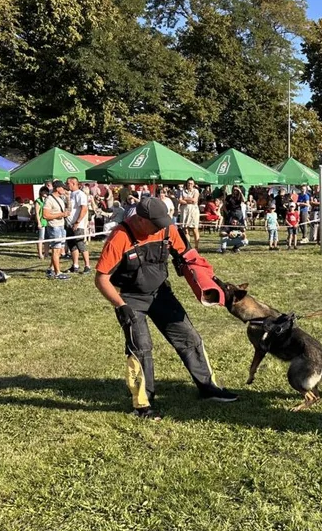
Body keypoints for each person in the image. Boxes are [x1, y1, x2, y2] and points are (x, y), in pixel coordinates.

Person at [95, 197, 238, 418]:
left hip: (161, 293)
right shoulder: (120, 237)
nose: (162, 227)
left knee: (189, 337)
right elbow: (101, 278)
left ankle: (208, 388)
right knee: (141, 348)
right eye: (157, 223)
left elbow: (188, 257)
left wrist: (207, 279)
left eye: (165, 222)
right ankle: (143, 405)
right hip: (130, 299)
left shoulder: (168, 229)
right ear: (141, 220)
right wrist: (121, 306)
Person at [43, 180, 71, 280]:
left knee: (59, 250)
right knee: (56, 249)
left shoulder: (60, 198)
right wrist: (61, 215)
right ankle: (57, 273)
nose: (64, 190)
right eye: (63, 188)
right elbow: (45, 215)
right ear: (58, 188)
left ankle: (50, 269)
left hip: (61, 225)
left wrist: (68, 198)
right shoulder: (49, 199)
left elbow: (67, 210)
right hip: (54, 226)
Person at [65, 177, 91, 274]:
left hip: (78, 225)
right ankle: (75, 265)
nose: (67, 185)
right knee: (72, 245)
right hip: (69, 224)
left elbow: (84, 208)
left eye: (68, 183)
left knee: (81, 245)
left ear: (73, 183)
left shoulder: (80, 194)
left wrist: (77, 222)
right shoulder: (71, 194)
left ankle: (87, 266)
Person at [178, 177, 201, 250]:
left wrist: (185, 199)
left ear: (193, 184)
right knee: (185, 229)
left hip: (193, 211)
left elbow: (194, 200)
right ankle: (188, 246)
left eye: (191, 183)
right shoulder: (183, 191)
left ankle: (196, 247)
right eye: (188, 183)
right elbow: (180, 200)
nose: (190, 185)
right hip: (185, 211)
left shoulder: (196, 191)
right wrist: (188, 200)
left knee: (194, 229)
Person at [34, 187, 49, 260]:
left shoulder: (47, 200)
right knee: (41, 238)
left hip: (48, 221)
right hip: (42, 221)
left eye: (46, 191)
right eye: (44, 191)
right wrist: (39, 222)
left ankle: (46, 253)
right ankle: (40, 253)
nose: (45, 193)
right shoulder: (38, 201)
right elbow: (37, 213)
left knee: (47, 238)